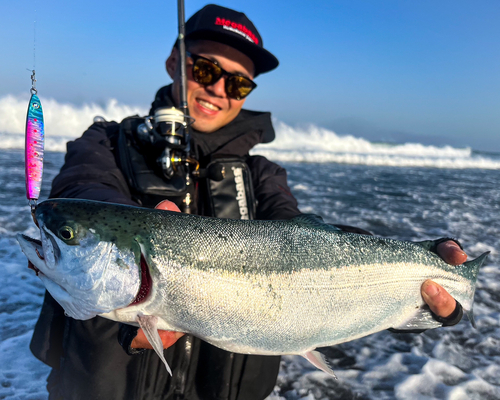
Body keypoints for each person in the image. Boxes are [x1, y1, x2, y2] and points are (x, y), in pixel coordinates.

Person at [29, 4, 467, 400]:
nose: (219, 89)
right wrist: (113, 228)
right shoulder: (105, 143)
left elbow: (314, 243)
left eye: (238, 82)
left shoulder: (264, 176)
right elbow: (84, 192)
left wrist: (426, 267)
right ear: (173, 63)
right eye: (203, 70)